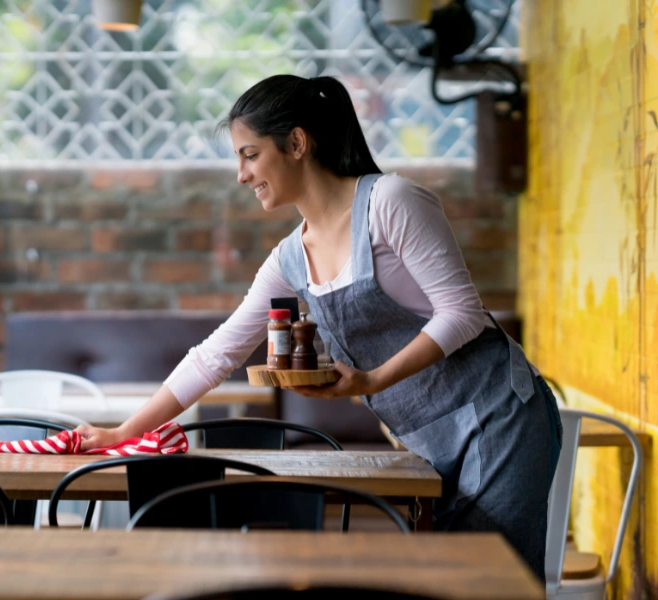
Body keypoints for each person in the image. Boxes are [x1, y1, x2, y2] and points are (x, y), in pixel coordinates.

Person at [74, 74, 562, 579]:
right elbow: (217, 353)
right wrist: (125, 432)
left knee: (490, 586)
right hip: (427, 440)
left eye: (249, 154)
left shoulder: (390, 203)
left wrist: (372, 381)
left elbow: (461, 313)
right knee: (447, 585)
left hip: (499, 417)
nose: (241, 175)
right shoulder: (289, 258)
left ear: (297, 143)